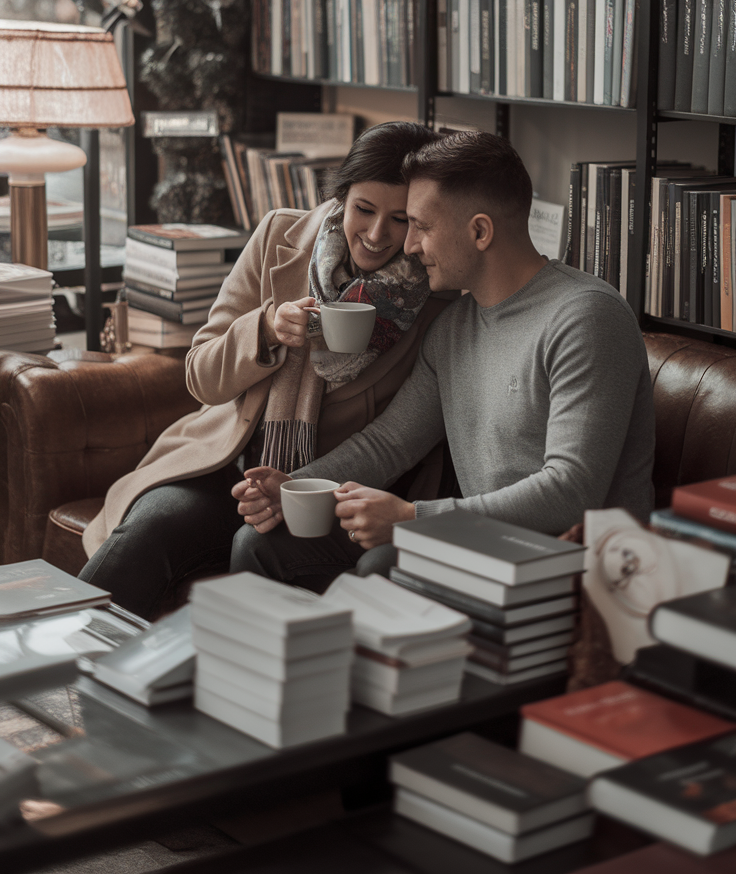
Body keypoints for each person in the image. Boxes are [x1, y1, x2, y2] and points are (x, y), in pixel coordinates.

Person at [233, 131, 655, 584]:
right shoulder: (453, 328)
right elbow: (389, 444)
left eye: (421, 226)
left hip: (577, 562)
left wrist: (416, 518)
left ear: (479, 231)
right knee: (260, 545)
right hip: (478, 543)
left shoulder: (586, 317)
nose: (408, 245)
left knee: (383, 568)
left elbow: (572, 491)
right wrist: (296, 486)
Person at [79, 120, 454, 619]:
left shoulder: (437, 297)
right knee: (150, 530)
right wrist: (265, 331)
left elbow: (399, 440)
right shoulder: (279, 233)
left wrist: (296, 489)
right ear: (341, 198)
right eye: (363, 210)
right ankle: (53, 669)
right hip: (225, 465)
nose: (377, 233)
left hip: (319, 490)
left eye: (401, 219)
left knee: (252, 542)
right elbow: (200, 376)